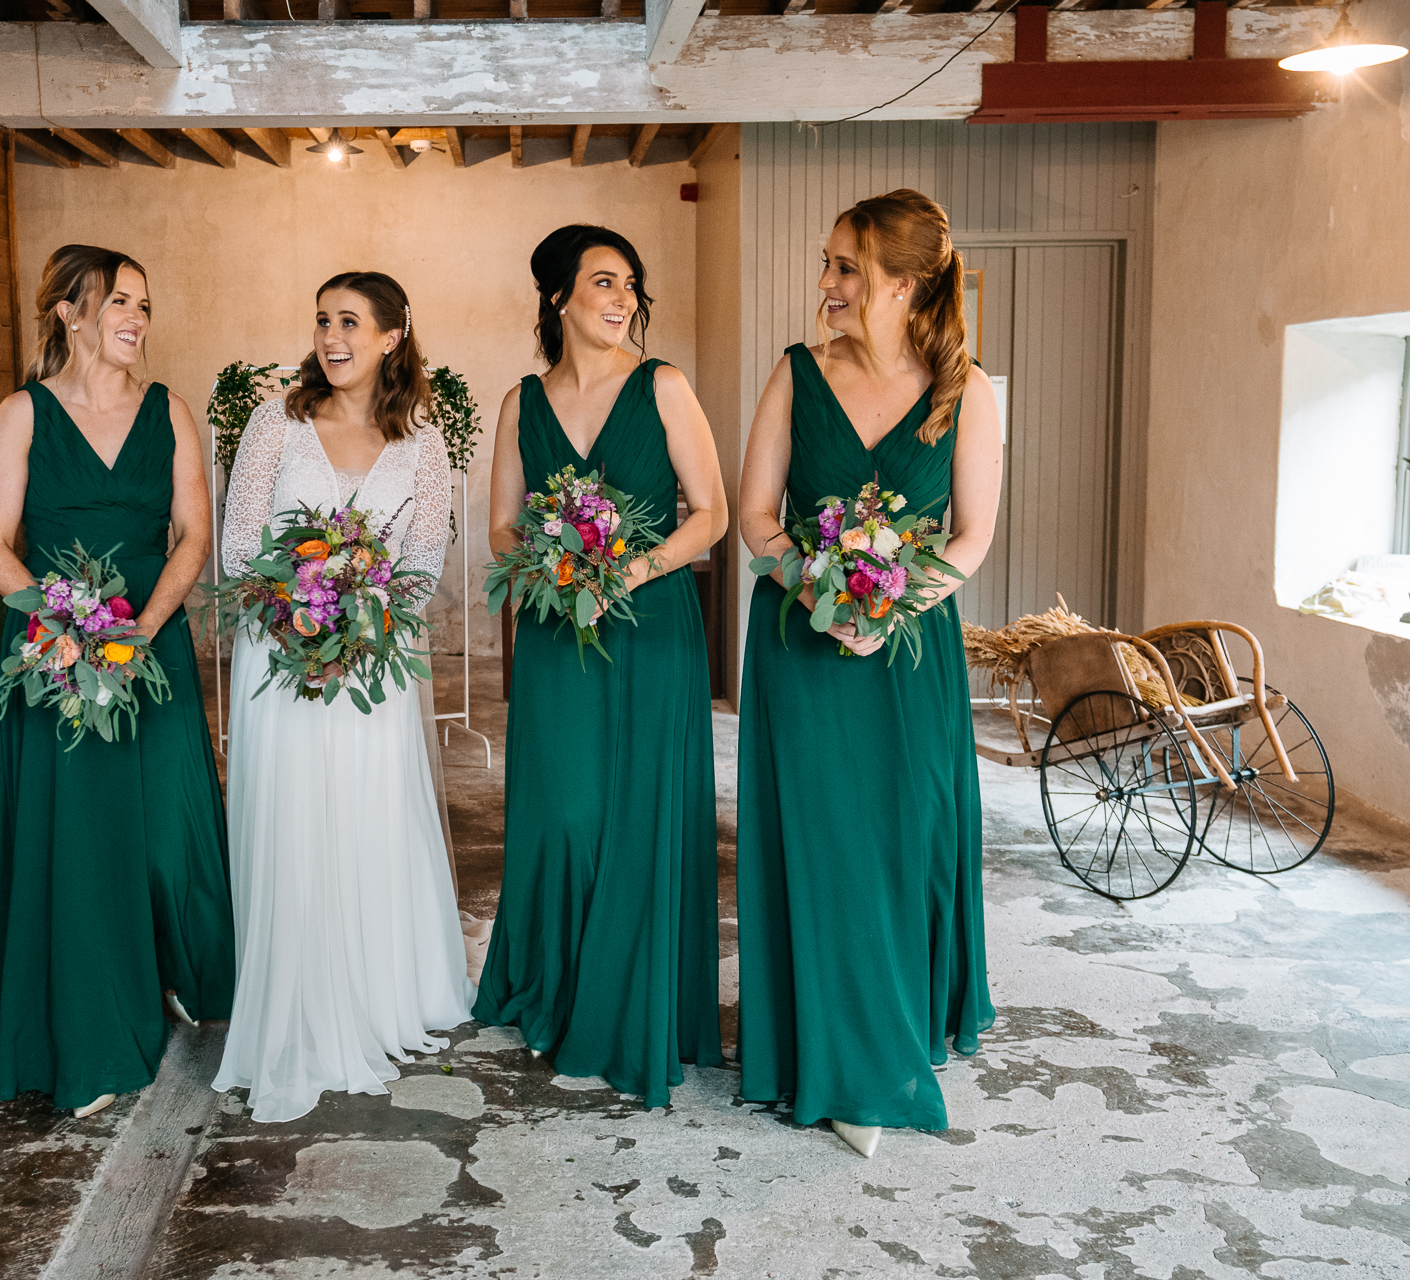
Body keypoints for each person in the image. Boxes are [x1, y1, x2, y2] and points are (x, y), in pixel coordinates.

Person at [735, 189, 1001, 1156]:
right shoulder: (796, 374)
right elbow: (757, 511)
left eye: (846, 268)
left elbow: (971, 538)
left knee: (904, 838)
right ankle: (845, 1060)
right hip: (803, 648)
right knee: (825, 842)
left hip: (909, 655)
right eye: (829, 264)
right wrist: (821, 592)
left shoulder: (968, 393)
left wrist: (888, 603)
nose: (827, 285)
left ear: (906, 283)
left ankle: (895, 1022)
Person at [0, 244, 236, 1119]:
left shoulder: (171, 412)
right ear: (69, 312)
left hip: (148, 644)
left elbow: (193, 536)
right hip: (57, 658)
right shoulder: (22, 415)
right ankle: (91, 1035)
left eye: (145, 305)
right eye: (119, 301)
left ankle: (178, 971)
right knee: (80, 852)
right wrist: (64, 628)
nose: (136, 319)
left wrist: (143, 629)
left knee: (166, 835)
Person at [473, 225, 727, 1107]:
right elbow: (501, 523)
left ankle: (634, 1001)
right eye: (604, 283)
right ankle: (562, 984)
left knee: (641, 813)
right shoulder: (521, 403)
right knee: (565, 813)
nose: (622, 300)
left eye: (631, 286)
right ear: (558, 297)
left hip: (650, 625)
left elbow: (712, 514)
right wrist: (551, 563)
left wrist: (629, 567)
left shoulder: (663, 386)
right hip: (554, 629)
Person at [211, 271, 472, 1124]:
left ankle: (373, 998)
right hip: (279, 662)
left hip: (372, 666)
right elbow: (240, 542)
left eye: (351, 322)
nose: (332, 336)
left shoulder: (423, 443)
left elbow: (426, 557)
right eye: (323, 320)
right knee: (293, 823)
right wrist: (294, 611)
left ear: (394, 336)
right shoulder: (277, 423)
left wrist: (364, 617)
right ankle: (293, 1011)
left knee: (366, 822)